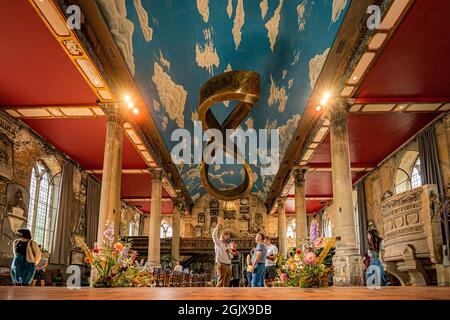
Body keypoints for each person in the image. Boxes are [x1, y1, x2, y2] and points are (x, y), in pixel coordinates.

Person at [212, 216, 233, 287]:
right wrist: (218, 224)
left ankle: (225, 297)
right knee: (220, 283)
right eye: (227, 236)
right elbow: (214, 235)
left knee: (227, 284)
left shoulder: (227, 244)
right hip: (221, 265)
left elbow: (231, 257)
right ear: (223, 235)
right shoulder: (218, 243)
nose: (228, 238)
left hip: (228, 265)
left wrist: (230, 253)